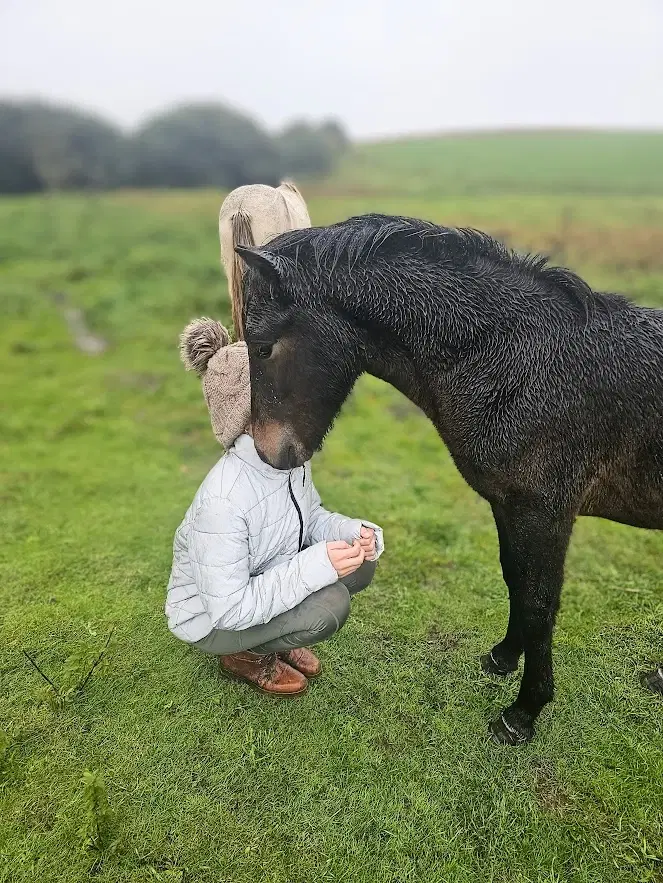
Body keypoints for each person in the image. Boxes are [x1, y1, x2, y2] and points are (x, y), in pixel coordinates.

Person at [165, 318, 384, 695]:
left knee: (361, 564)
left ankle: (280, 632)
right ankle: (244, 655)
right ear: (244, 421)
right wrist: (318, 565)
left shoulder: (288, 459)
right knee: (329, 605)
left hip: (265, 575)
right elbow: (229, 609)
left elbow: (310, 515)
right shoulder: (223, 501)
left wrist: (350, 532)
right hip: (211, 618)